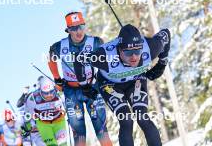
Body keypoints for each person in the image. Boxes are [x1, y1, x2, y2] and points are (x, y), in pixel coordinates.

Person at [73, 24, 171, 146]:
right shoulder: (104, 56)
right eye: (129, 53)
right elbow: (78, 59)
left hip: (136, 80)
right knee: (126, 120)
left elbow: (166, 33)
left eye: (137, 51)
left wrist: (162, 64)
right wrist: (85, 86)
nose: (134, 56)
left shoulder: (150, 47)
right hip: (110, 84)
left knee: (142, 117)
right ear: (119, 49)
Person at [48, 11, 112, 146]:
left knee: (101, 130)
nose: (78, 31)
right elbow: (50, 58)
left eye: (81, 27)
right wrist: (57, 79)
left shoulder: (95, 42)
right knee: (79, 135)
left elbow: (105, 62)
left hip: (91, 88)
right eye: (74, 28)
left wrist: (103, 80)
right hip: (72, 92)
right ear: (68, 30)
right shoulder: (60, 46)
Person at [23, 77, 67, 146]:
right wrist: (28, 127)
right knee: (51, 144)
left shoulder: (59, 93)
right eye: (45, 93)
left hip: (59, 121)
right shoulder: (33, 98)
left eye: (51, 92)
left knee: (63, 144)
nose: (49, 95)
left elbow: (68, 105)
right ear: (40, 91)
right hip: (44, 123)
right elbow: (27, 114)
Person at [17, 76, 45, 146]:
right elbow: (19, 104)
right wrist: (24, 94)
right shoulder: (33, 95)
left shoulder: (50, 93)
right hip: (35, 128)